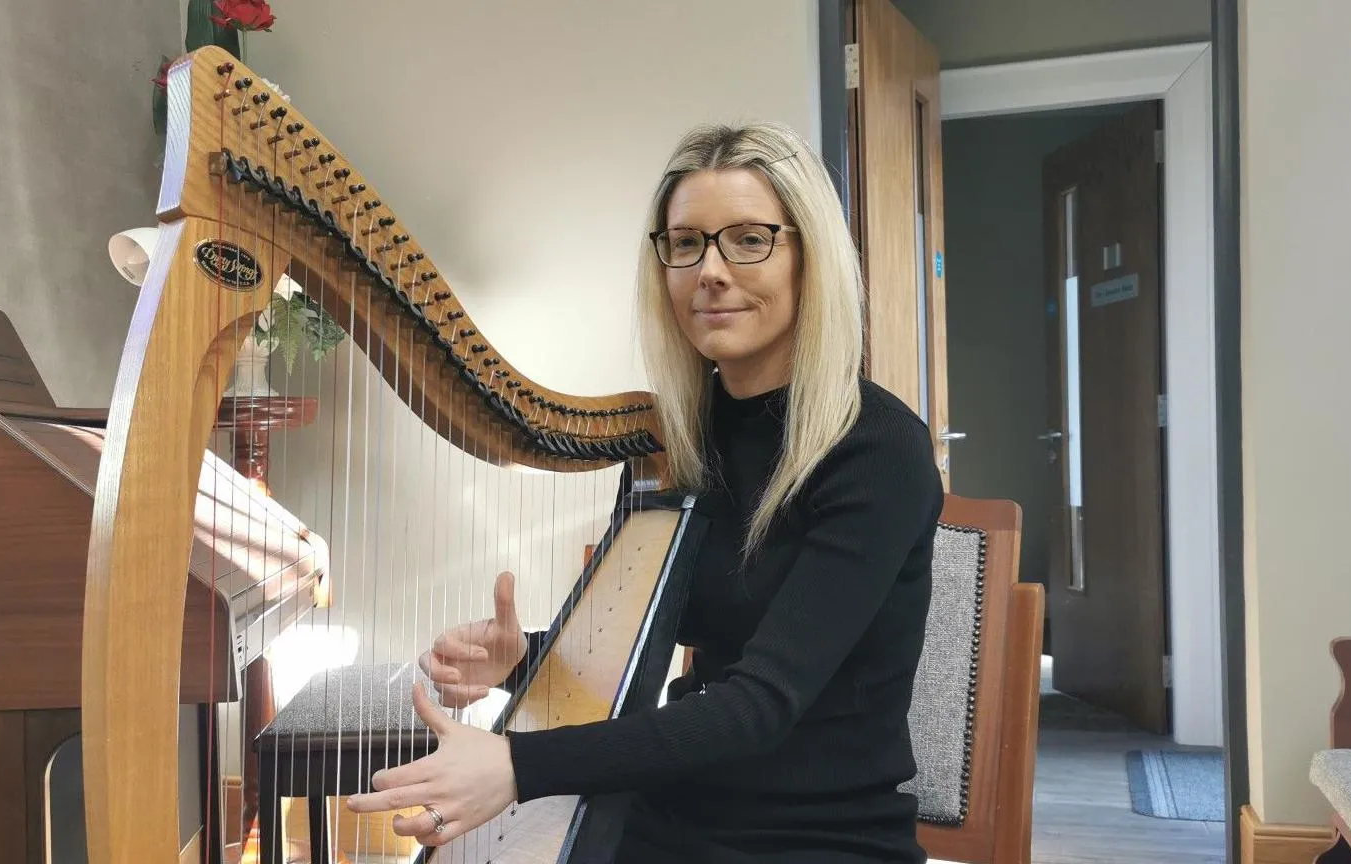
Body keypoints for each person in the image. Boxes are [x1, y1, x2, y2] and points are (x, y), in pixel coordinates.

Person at [345, 121, 945, 863]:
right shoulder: (670, 443)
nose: (710, 271)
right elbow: (639, 646)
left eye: (749, 240)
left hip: (817, 838)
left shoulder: (877, 451)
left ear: (809, 258)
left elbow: (758, 707)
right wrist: (523, 659)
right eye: (686, 243)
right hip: (670, 811)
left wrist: (516, 767)